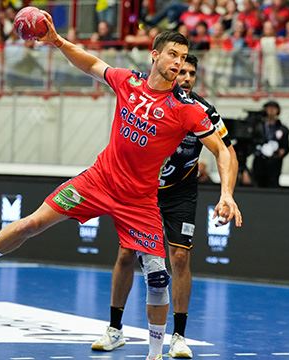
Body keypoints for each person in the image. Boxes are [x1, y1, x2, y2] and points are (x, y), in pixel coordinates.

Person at [0, 11, 242, 360]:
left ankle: (155, 353)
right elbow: (92, 64)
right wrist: (57, 41)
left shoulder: (186, 109)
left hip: (140, 200)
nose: (178, 62)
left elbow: (222, 150)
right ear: (154, 55)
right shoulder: (129, 82)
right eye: (173, 54)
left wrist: (226, 194)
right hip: (98, 181)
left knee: (158, 277)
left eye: (184, 58)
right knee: (33, 222)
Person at [90, 54, 239, 359]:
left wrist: (227, 193)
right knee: (126, 253)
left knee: (181, 258)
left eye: (191, 73)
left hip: (180, 193)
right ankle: (115, 329)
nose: (185, 76)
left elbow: (228, 154)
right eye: (181, 70)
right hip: (141, 192)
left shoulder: (202, 112)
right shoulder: (147, 99)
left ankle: (179, 337)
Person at [251, 100, 289, 188]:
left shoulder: (283, 129)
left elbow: (286, 147)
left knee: (272, 184)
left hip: (274, 163)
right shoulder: (258, 127)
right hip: (260, 161)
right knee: (257, 183)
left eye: (274, 108)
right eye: (269, 108)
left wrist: (281, 152)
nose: (271, 110)